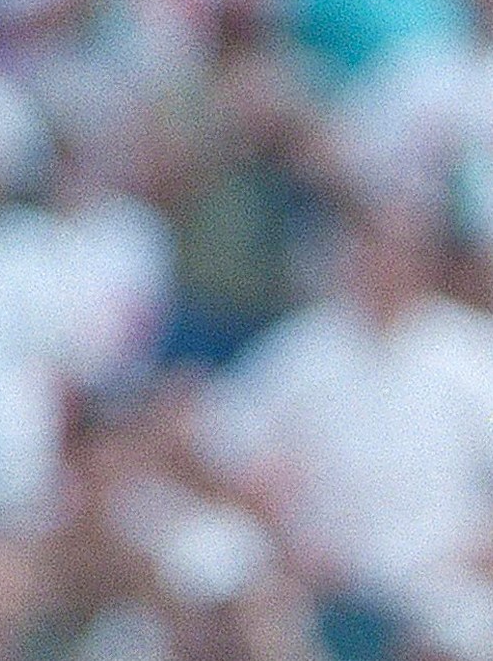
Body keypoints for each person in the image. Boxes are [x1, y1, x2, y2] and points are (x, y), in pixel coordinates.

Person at [188, 193, 493, 660]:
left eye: (399, 249)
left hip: (444, 582)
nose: (385, 262)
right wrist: (271, 518)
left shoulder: (471, 351)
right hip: (320, 577)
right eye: (372, 247)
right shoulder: (301, 348)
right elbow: (223, 445)